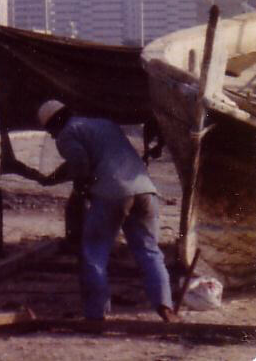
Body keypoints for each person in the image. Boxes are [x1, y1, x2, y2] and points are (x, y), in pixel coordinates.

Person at [35, 99, 177, 323]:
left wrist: (80, 193)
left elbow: (80, 164)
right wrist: (52, 178)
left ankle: (95, 314)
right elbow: (86, 158)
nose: (53, 137)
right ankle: (166, 307)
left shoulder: (66, 134)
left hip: (112, 194)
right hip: (145, 190)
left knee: (94, 252)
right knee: (149, 251)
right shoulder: (103, 125)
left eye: (51, 132)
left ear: (53, 125)